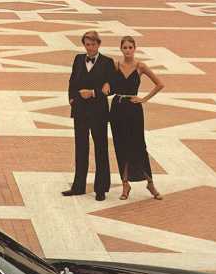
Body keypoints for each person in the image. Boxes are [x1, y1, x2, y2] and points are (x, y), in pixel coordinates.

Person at [110, 36, 164, 200]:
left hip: (134, 109)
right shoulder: (115, 65)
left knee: (139, 145)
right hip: (117, 108)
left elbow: (160, 84)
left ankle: (150, 183)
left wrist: (144, 99)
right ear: (121, 49)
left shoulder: (140, 66)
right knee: (121, 146)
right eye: (125, 47)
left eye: (130, 47)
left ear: (134, 49)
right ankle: (125, 184)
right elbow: (105, 83)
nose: (127, 50)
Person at [63, 30, 114, 201]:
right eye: (87, 44)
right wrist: (72, 99)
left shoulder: (107, 62)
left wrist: (93, 92)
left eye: (93, 44)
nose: (90, 47)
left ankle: (101, 189)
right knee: (81, 148)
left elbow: (111, 88)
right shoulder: (78, 59)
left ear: (98, 44)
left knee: (101, 149)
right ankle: (78, 187)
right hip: (80, 110)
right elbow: (72, 81)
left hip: (98, 112)